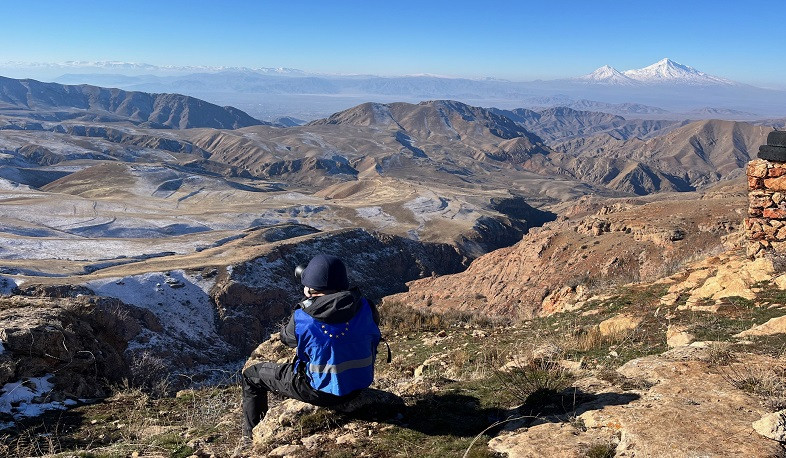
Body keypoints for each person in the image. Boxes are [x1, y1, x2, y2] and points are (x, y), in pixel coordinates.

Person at [241, 254, 381, 438]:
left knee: (252, 376)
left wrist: (309, 305)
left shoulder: (303, 317)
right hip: (359, 384)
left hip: (318, 392)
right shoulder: (367, 306)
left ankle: (249, 438)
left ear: (309, 289)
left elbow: (287, 339)